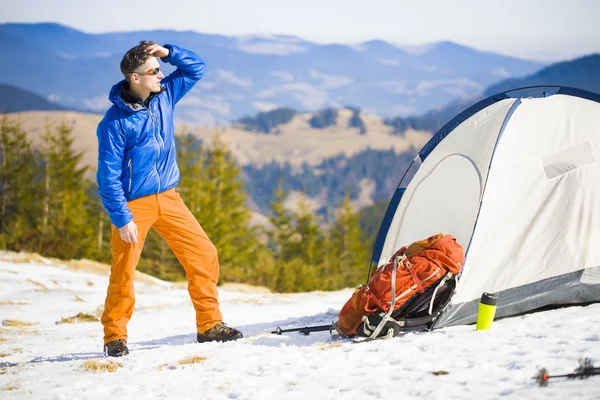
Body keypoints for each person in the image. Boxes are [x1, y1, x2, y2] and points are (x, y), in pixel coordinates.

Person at [96, 41, 243, 357]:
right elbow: (107, 178)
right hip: (134, 205)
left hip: (169, 198)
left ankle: (210, 326)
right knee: (124, 271)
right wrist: (122, 219)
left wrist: (168, 52)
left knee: (204, 254)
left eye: (160, 70)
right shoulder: (114, 123)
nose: (161, 75)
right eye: (154, 71)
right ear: (135, 78)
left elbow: (197, 68)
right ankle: (115, 337)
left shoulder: (164, 98)